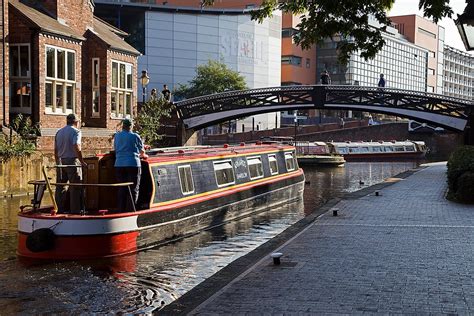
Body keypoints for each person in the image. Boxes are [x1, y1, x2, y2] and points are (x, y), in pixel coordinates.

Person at [54, 113, 86, 213]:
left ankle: (59, 209)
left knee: (60, 187)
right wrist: (81, 161)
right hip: (72, 161)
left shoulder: (59, 132)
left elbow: (55, 150)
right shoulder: (76, 132)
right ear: (76, 122)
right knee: (75, 186)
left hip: (61, 161)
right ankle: (75, 210)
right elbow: (76, 145)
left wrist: (57, 163)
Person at [114, 118, 147, 211]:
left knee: (122, 188)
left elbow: (116, 149)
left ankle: (121, 210)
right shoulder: (135, 136)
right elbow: (142, 152)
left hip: (119, 164)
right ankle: (131, 210)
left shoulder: (117, 136)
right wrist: (144, 155)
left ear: (123, 126)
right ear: (131, 126)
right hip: (133, 164)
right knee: (133, 189)